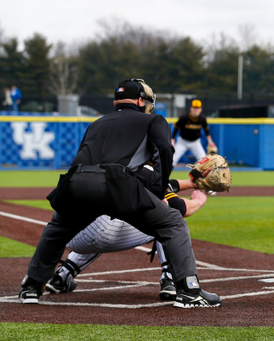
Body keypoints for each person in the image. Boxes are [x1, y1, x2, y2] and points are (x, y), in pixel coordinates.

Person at [19, 78, 222, 308]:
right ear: (140, 101)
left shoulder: (97, 123)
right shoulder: (153, 120)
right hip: (118, 185)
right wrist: (159, 190)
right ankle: (187, 290)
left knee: (56, 230)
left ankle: (31, 287)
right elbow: (164, 150)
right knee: (172, 223)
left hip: (76, 182)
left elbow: (82, 158)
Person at [45, 169, 208, 302]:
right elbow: (181, 207)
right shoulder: (145, 168)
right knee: (166, 222)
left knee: (105, 214)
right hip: (103, 232)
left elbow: (160, 184)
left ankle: (62, 275)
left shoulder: (106, 160)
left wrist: (188, 183)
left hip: (71, 232)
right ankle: (169, 279)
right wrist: (199, 201)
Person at [171, 99, 215, 167]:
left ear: (200, 109)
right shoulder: (184, 117)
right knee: (172, 160)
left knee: (204, 162)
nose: (196, 110)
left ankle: (204, 177)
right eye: (194, 108)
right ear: (191, 109)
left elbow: (207, 131)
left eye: (198, 108)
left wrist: (210, 141)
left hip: (195, 142)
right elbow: (176, 128)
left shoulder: (202, 119)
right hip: (182, 142)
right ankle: (165, 177)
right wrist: (172, 139)